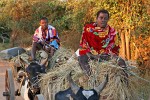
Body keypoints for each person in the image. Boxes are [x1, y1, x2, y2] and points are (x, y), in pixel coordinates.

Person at [78, 9, 126, 76]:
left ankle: (124, 83)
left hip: (105, 56)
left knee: (122, 62)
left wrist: (110, 54)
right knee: (81, 59)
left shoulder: (112, 32)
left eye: (105, 18)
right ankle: (91, 79)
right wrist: (91, 54)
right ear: (96, 18)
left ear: (108, 20)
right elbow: (83, 45)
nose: (103, 20)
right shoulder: (88, 29)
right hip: (90, 54)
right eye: (101, 18)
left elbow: (115, 48)